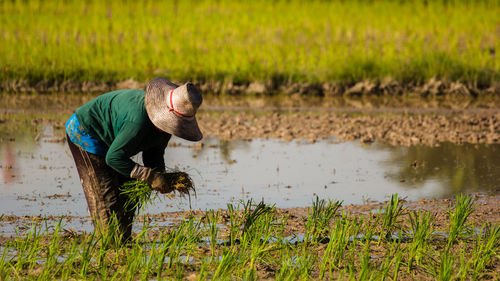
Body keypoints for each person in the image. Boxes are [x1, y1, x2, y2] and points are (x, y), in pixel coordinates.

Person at [65, 77, 203, 241]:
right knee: (107, 198)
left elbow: (154, 154)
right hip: (86, 133)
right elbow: (114, 158)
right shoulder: (137, 122)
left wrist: (161, 177)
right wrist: (149, 176)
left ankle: (123, 240)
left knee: (129, 193)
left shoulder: (164, 129)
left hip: (113, 143)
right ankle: (109, 245)